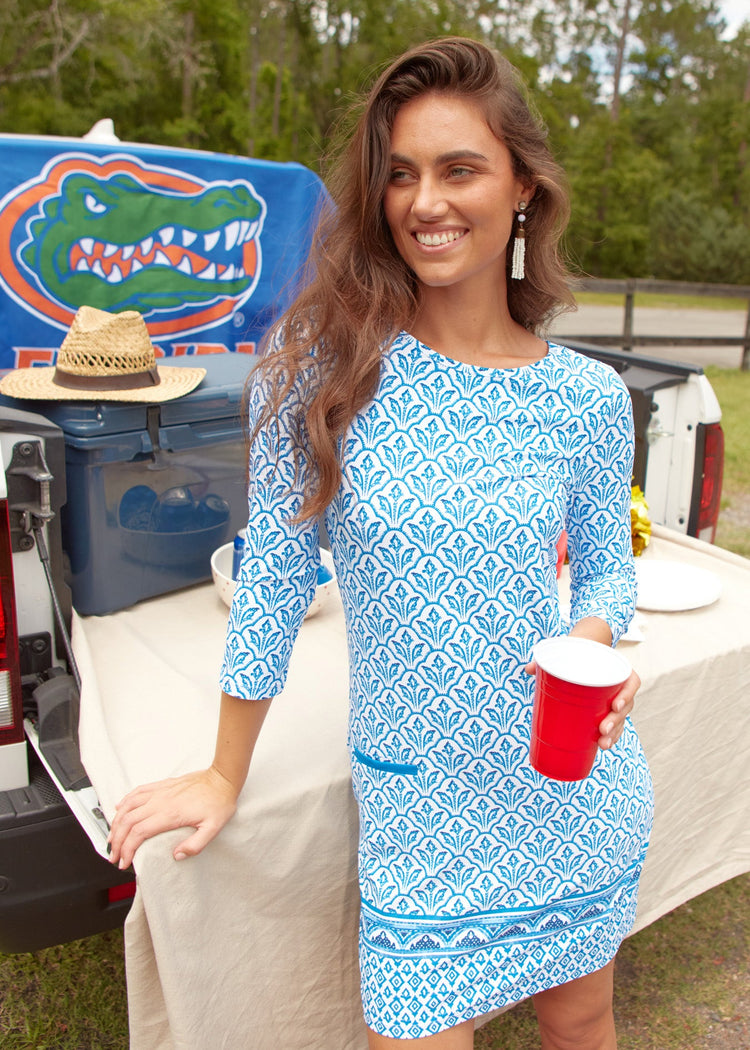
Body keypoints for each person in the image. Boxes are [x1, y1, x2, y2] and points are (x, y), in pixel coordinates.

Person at [108, 36, 653, 1050]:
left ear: (523, 188)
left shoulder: (585, 397)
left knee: (582, 1020)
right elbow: (273, 582)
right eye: (400, 174)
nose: (424, 201)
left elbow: (607, 573)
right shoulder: (320, 374)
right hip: (422, 814)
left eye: (459, 169)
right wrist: (223, 773)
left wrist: (592, 648)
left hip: (572, 796)